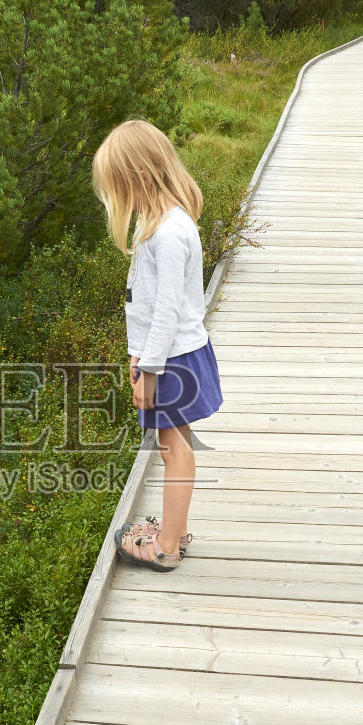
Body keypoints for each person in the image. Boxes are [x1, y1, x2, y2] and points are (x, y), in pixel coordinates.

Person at [91, 119, 223, 572]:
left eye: (119, 185)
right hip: (169, 355)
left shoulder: (167, 233)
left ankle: (166, 546)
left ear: (142, 176)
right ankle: (175, 529)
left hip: (172, 361)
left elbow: (166, 312)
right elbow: (147, 305)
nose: (118, 197)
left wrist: (149, 371)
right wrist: (137, 353)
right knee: (176, 443)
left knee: (174, 449)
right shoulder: (161, 221)